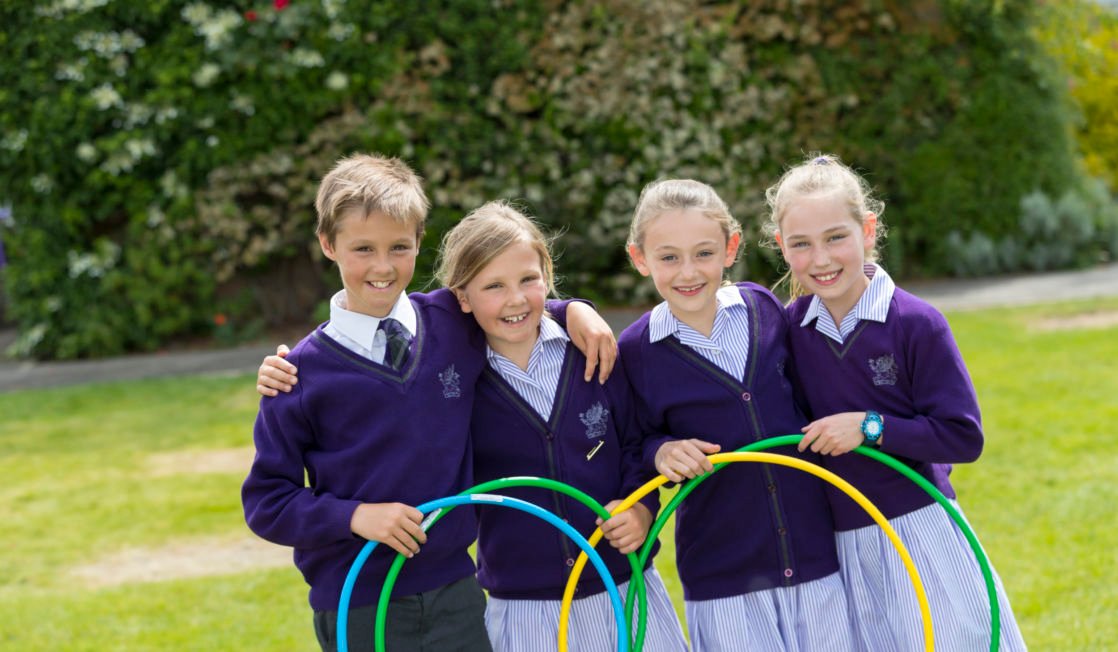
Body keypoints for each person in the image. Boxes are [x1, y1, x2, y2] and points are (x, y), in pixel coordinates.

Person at [242, 153, 615, 652]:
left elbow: (509, 302)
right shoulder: (299, 375)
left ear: (420, 241)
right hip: (357, 601)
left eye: (399, 247)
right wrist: (355, 517)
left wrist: (575, 311)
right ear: (328, 245)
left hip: (456, 590)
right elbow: (267, 502)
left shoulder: (449, 322)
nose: (382, 266)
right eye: (363, 249)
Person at [767, 153, 1027, 650]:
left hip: (920, 529)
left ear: (867, 229)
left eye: (835, 237)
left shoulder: (915, 322)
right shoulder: (790, 330)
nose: (820, 259)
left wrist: (869, 427)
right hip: (842, 542)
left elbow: (962, 435)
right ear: (782, 247)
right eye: (801, 244)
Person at [435, 201, 687, 651]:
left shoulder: (593, 354)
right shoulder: (456, 381)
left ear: (547, 276)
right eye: (494, 285)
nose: (515, 299)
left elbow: (636, 445)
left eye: (528, 280)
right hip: (528, 607)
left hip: (626, 588)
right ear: (463, 297)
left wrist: (641, 510)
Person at [620, 178, 854, 650]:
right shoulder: (637, 351)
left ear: (730, 248)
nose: (688, 272)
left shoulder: (763, 308)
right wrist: (661, 450)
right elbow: (634, 444)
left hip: (813, 555)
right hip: (722, 574)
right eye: (668, 257)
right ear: (640, 258)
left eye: (704, 253)